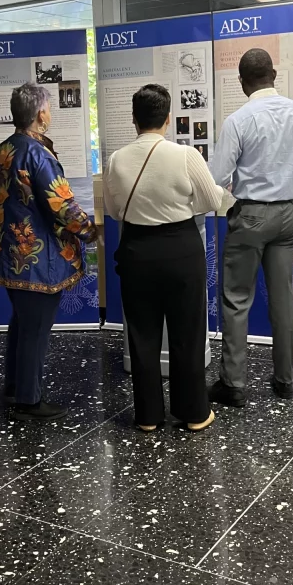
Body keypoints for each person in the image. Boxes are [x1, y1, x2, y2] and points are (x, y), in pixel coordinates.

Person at [210, 48, 293, 407]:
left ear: (243, 82)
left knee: (236, 298)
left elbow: (217, 177)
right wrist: (288, 175)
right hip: (289, 214)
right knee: (284, 296)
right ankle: (284, 381)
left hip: (251, 216)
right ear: (273, 75)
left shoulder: (239, 120)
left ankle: (234, 385)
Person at [103, 84, 223, 432]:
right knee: (187, 331)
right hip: (180, 248)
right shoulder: (185, 156)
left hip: (137, 250)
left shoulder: (116, 160)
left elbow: (114, 211)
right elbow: (211, 202)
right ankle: (194, 413)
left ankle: (148, 416)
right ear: (167, 119)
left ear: (133, 120)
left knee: (142, 335)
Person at [0, 82, 96, 422]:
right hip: (35, 259)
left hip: (5, 256)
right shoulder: (37, 155)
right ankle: (29, 399)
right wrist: (89, 231)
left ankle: (16, 385)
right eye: (50, 109)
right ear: (42, 114)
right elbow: (62, 206)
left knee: (22, 322)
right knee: (36, 328)